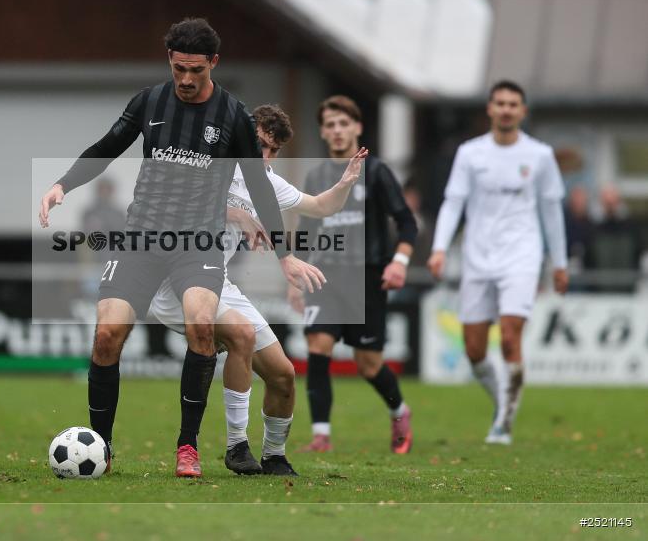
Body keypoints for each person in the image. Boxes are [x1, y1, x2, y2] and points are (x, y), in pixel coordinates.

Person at [38, 18, 325, 478]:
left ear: (213, 62)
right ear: (169, 61)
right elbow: (107, 146)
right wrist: (62, 184)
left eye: (195, 70)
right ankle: (102, 448)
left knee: (201, 326)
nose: (186, 80)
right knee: (107, 334)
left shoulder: (232, 116)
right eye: (178, 69)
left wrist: (285, 254)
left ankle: (187, 446)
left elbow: (258, 184)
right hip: (142, 236)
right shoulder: (149, 101)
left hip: (197, 243)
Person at [148, 104, 366, 475]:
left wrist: (344, 184)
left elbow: (319, 206)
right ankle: (236, 447)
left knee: (283, 374)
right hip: (175, 281)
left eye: (274, 151)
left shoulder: (266, 180)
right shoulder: (208, 162)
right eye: (261, 145)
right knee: (242, 336)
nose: (266, 157)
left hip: (218, 282)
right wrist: (238, 214)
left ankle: (275, 455)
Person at [427, 80, 568, 445]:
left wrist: (559, 262)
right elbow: (453, 202)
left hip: (522, 255)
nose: (506, 109)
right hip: (477, 258)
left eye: (513, 104)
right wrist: (440, 247)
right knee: (474, 351)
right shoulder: (470, 153)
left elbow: (551, 212)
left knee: (509, 336)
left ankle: (504, 420)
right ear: (490, 109)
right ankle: (502, 401)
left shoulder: (540, 155)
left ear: (522, 111)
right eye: (500, 103)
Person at [292, 95, 418, 455]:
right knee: (318, 346)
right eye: (330, 125)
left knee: (368, 364)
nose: (336, 131)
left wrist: (400, 262)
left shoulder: (376, 172)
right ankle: (320, 436)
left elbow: (407, 223)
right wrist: (296, 273)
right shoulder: (316, 175)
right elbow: (307, 226)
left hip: (367, 278)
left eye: (343, 123)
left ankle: (399, 411)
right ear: (322, 132)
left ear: (358, 128)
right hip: (325, 277)